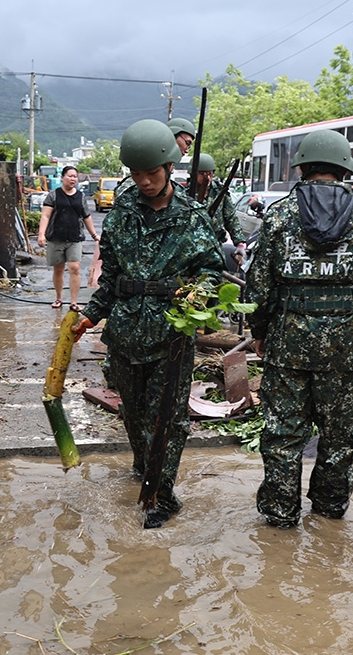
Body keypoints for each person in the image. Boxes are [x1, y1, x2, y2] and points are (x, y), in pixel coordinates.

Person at [71, 119, 223, 529]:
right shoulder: (121, 215)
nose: (144, 182)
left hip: (172, 333)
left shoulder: (192, 216)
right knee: (134, 413)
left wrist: (198, 299)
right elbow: (112, 277)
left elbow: (212, 271)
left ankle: (162, 495)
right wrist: (90, 315)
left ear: (169, 168)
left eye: (151, 174)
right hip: (124, 333)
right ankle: (145, 466)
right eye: (136, 175)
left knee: (169, 418)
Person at [244, 129, 353, 529]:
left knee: (283, 431)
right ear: (344, 167)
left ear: (302, 166)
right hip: (343, 343)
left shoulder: (279, 214)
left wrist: (260, 329)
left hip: (287, 339)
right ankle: (329, 511)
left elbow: (259, 284)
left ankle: (280, 515)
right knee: (339, 433)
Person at [37, 166, 99, 311]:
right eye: (70, 176)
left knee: (74, 268)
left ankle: (74, 302)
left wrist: (95, 235)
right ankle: (59, 298)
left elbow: (86, 217)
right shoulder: (53, 195)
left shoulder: (81, 197)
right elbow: (45, 215)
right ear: (62, 178)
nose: (73, 179)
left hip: (74, 238)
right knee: (58, 269)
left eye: (75, 177)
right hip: (55, 238)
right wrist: (41, 234)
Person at [194, 152, 246, 271]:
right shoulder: (185, 194)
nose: (207, 177)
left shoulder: (220, 192)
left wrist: (240, 243)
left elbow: (231, 218)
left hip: (215, 246)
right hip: (192, 247)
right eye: (202, 174)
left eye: (210, 173)